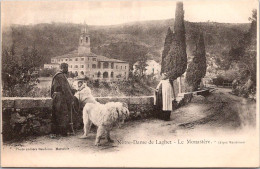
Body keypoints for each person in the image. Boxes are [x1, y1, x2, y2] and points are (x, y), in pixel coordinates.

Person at [50, 63, 78, 136]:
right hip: (60, 97)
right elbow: (65, 89)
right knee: (63, 114)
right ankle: (62, 133)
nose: (67, 70)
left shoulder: (57, 75)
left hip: (56, 97)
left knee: (56, 114)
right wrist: (71, 97)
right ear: (62, 68)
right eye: (66, 68)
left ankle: (55, 133)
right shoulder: (61, 76)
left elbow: (53, 89)